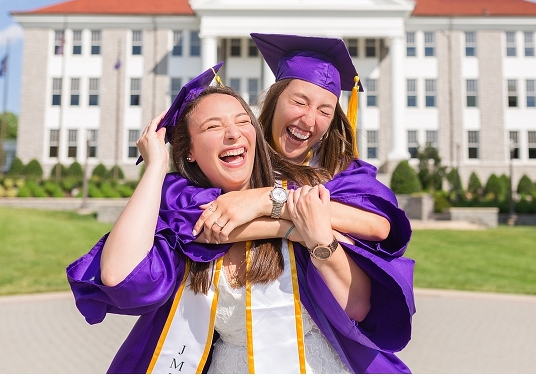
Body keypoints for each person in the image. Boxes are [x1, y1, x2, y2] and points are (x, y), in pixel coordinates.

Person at [67, 65, 414, 374]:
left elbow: (367, 269)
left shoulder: (310, 190)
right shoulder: (182, 207)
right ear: (188, 149)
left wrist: (274, 206)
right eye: (213, 126)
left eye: (242, 121)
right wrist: (157, 166)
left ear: (255, 135)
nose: (232, 133)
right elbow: (117, 276)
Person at [190, 34, 411, 261]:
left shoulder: (338, 171)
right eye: (300, 102)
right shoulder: (238, 160)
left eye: (325, 111)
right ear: (275, 100)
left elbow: (378, 225)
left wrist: (266, 201)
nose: (309, 121)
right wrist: (299, 228)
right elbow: (194, 223)